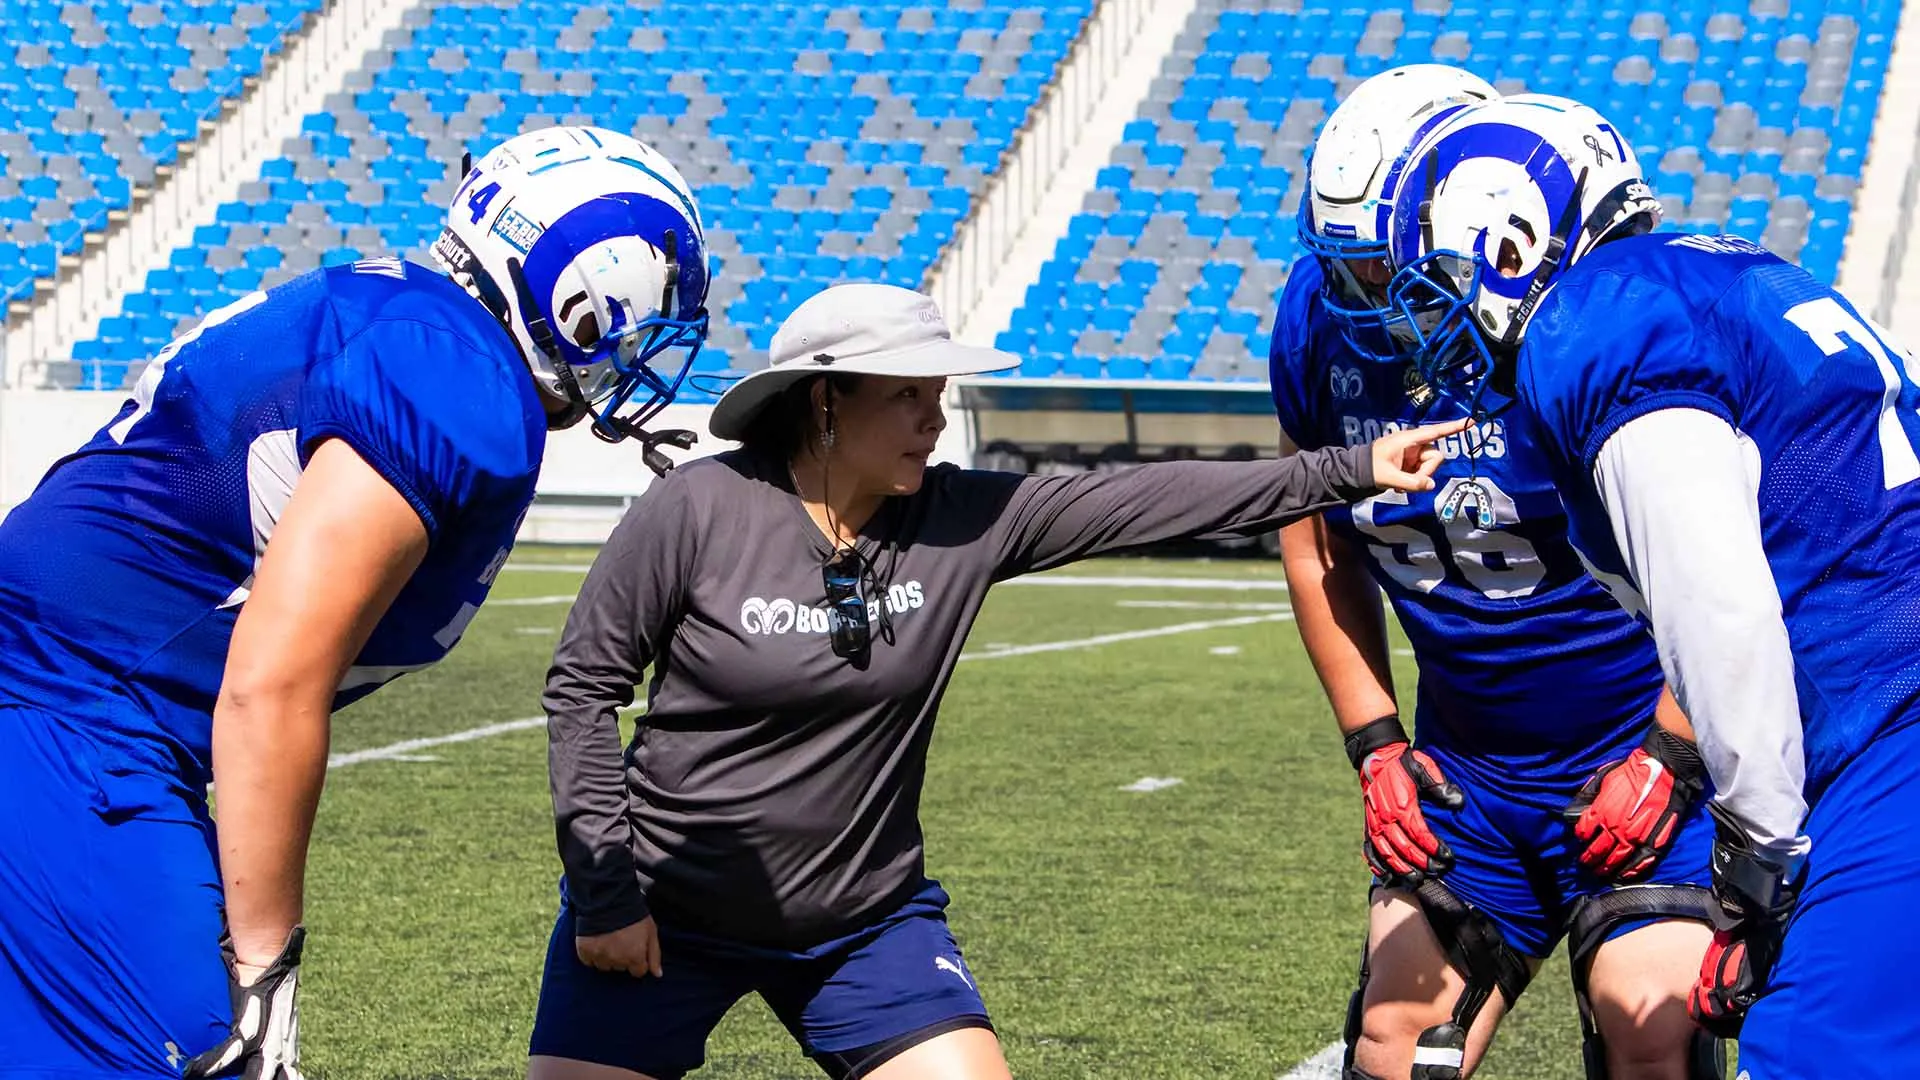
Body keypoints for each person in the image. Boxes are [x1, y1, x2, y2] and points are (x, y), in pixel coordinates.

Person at [529, 281, 1468, 1080]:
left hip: (862, 925)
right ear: (824, 402)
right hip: (666, 912)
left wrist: (1351, 470)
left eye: (937, 394)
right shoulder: (696, 508)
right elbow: (581, 688)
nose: (935, 420)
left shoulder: (964, 518)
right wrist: (609, 894)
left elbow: (1147, 497)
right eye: (908, 397)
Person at [0, 125, 712, 1079]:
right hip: (71, 713)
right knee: (184, 1051)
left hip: (71, 703)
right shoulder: (452, 377)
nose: (639, 346)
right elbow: (270, 683)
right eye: (642, 311)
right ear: (581, 283)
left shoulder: (414, 322)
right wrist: (265, 966)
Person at [1384, 91, 1920, 1077]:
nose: (1431, 319)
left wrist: (1764, 860)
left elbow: (1719, 600)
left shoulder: (1599, 323)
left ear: (1515, 245)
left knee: (1813, 1055)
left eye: (1447, 280)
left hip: (1894, 727)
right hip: (1885, 714)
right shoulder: (1731, 270)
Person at [1273, 70, 1721, 1080]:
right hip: (1470, 773)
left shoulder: (1591, 333)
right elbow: (1317, 537)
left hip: (1637, 746)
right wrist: (1376, 746)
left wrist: (1673, 753)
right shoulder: (1316, 325)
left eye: (1381, 273)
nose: (1360, 305)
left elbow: (1733, 574)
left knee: (1653, 1033)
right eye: (1340, 271)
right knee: (1394, 1044)